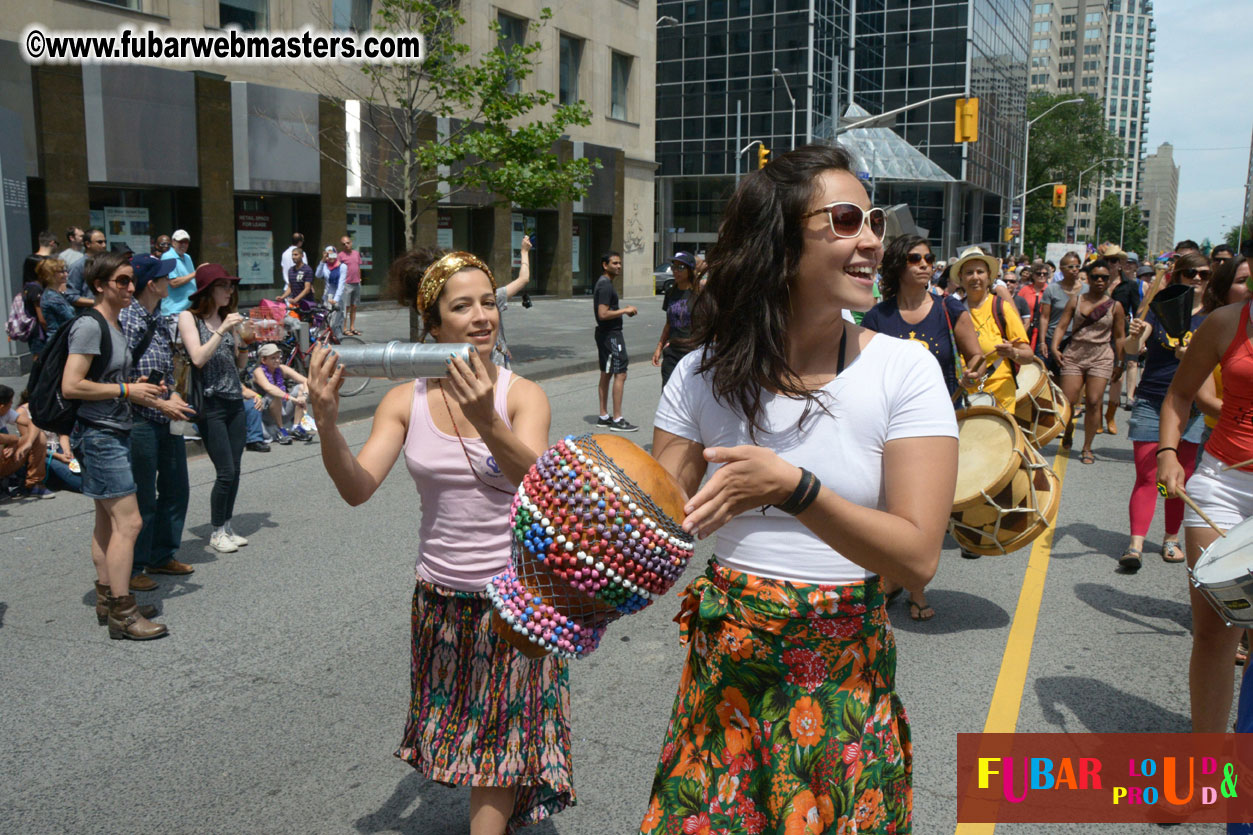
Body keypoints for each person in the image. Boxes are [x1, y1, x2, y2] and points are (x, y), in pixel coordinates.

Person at [640, 144, 958, 834]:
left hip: (844, 681)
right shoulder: (699, 372)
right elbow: (650, 524)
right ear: (780, 245)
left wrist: (795, 489)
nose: (872, 239)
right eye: (844, 220)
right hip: (726, 680)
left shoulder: (904, 372)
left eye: (872, 220)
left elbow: (915, 558)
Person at [306, 249, 573, 835]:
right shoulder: (404, 401)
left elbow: (539, 485)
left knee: (501, 744)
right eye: (462, 307)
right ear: (433, 326)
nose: (482, 316)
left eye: (488, 302)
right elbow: (357, 488)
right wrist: (326, 421)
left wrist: (487, 420)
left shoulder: (522, 395)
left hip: (516, 601)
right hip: (440, 597)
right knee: (469, 732)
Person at [862, 235, 985, 620]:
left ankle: (916, 589)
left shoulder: (950, 309)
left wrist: (972, 378)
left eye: (929, 258)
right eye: (915, 258)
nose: (925, 264)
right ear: (897, 266)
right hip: (887, 423)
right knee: (886, 508)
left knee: (922, 514)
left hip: (938, 424)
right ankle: (892, 577)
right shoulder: (877, 317)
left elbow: (976, 356)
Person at [1159, 253, 1253, 735]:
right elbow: (1178, 394)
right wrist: (1169, 454)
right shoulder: (1225, 322)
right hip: (1222, 485)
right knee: (1217, 630)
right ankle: (1208, 767)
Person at [61, 251, 167, 639]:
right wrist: (127, 389)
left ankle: (108, 596)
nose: (129, 287)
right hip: (100, 433)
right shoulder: (91, 325)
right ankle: (124, 613)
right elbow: (72, 385)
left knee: (107, 521)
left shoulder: (113, 323)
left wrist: (144, 393)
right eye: (121, 281)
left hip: (108, 430)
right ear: (100, 285)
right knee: (130, 521)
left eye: (131, 280)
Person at [1117, 251, 1211, 571]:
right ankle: (1135, 544)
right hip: (1152, 400)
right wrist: (1132, 337)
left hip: (1193, 408)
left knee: (1179, 478)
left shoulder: (1213, 318)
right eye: (1190, 274)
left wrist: (1192, 356)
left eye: (1204, 274)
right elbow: (1132, 351)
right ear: (1177, 276)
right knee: (1147, 475)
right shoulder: (1158, 310)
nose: (1197, 279)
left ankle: (1171, 538)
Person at [121, 254, 198, 591]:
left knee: (176, 486)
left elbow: (166, 368)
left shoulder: (158, 316)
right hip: (139, 418)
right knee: (143, 497)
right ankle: (134, 564)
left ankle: (162, 554)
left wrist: (174, 397)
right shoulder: (127, 319)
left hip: (166, 415)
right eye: (165, 278)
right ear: (151, 285)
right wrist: (160, 401)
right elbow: (119, 376)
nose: (171, 281)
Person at [178, 264, 249, 554]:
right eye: (224, 286)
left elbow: (239, 365)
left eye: (231, 286)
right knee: (225, 471)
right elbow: (197, 358)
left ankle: (227, 525)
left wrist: (243, 340)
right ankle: (216, 530)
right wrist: (222, 330)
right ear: (208, 290)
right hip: (210, 403)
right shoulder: (189, 318)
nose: (229, 291)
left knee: (237, 468)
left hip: (234, 400)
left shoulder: (225, 319)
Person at [1050, 259, 1126, 463]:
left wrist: (1121, 362)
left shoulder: (1115, 306)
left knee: (1094, 402)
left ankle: (1087, 448)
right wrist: (1054, 347)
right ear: (1089, 279)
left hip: (1101, 355)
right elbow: (1061, 325)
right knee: (1068, 401)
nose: (1100, 281)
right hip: (1075, 354)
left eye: (1104, 278)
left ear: (1110, 280)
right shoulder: (1076, 300)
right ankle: (1068, 429)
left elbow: (1119, 336)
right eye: (1095, 277)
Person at [954, 247, 1033, 412]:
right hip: (963, 395)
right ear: (961, 278)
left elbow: (1028, 356)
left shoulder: (1002, 308)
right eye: (969, 272)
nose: (975, 277)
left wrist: (1012, 353)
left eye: (980, 272)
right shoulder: (953, 311)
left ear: (989, 276)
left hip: (1000, 394)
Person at [593, 251, 639, 431]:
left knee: (607, 373)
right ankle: (617, 419)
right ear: (605, 265)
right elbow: (602, 314)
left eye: (620, 263)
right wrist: (624, 311)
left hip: (606, 334)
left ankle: (604, 416)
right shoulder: (605, 285)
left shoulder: (604, 283)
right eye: (614, 263)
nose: (618, 266)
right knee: (620, 372)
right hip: (611, 335)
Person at [651, 250, 699, 387]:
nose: (675, 271)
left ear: (690, 270)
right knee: (667, 393)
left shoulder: (698, 295)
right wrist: (659, 347)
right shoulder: (671, 292)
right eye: (674, 267)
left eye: (681, 267)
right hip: (672, 353)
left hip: (691, 353)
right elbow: (668, 324)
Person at [0, 385, 55, 499]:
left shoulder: (6, 412)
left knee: (38, 436)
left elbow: (33, 423)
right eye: (10, 402)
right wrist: (14, 440)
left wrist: (28, 443)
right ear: (1, 406)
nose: (12, 405)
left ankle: (33, 484)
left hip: (5, 461)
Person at [251, 343, 311, 443]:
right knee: (274, 394)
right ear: (263, 360)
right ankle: (281, 430)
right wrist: (293, 399)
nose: (277, 360)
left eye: (279, 357)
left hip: (283, 408)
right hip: (267, 412)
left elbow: (306, 381)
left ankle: (296, 427)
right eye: (273, 358)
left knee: (300, 388)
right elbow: (269, 388)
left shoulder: (282, 368)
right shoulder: (258, 371)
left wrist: (303, 397)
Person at [1039, 251, 1085, 374]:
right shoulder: (1052, 289)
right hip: (1053, 338)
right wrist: (1042, 342)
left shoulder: (1087, 290)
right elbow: (1044, 317)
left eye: (1077, 266)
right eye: (1070, 267)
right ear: (1061, 269)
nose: (1075, 270)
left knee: (1075, 376)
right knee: (1053, 377)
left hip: (1078, 340)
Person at [491, 234, 532, 368]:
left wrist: (501, 344)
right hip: (494, 367)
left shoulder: (493, 297)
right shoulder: (492, 297)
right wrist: (524, 252)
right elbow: (524, 278)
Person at [160, 229, 197, 316]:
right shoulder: (168, 257)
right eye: (181, 242)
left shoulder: (187, 257)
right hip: (174, 311)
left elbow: (192, 279)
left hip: (188, 310)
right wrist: (195, 273)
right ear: (173, 242)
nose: (184, 245)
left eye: (186, 242)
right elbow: (173, 282)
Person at [338, 234, 364, 335]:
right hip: (347, 284)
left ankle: (352, 327)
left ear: (351, 243)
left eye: (348, 243)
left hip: (356, 283)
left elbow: (358, 267)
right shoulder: (340, 255)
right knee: (346, 307)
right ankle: (344, 328)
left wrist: (360, 278)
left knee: (354, 306)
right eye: (343, 244)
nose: (346, 245)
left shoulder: (356, 253)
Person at [278, 247, 315, 313]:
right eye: (292, 255)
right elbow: (290, 287)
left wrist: (295, 300)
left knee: (305, 323)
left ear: (302, 256)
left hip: (306, 304)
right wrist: (282, 297)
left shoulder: (307, 270)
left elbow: (307, 289)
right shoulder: (291, 270)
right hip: (295, 305)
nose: (293, 257)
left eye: (296, 255)